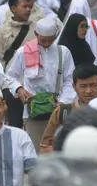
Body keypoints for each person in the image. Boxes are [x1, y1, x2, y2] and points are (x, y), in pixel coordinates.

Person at [6, 16, 76, 152]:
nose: (46, 44)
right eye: (43, 40)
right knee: (37, 151)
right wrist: (19, 90)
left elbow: (69, 80)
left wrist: (62, 102)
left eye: (51, 40)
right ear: (36, 34)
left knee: (59, 150)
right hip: (33, 111)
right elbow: (10, 76)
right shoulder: (23, 52)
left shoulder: (64, 52)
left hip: (59, 110)